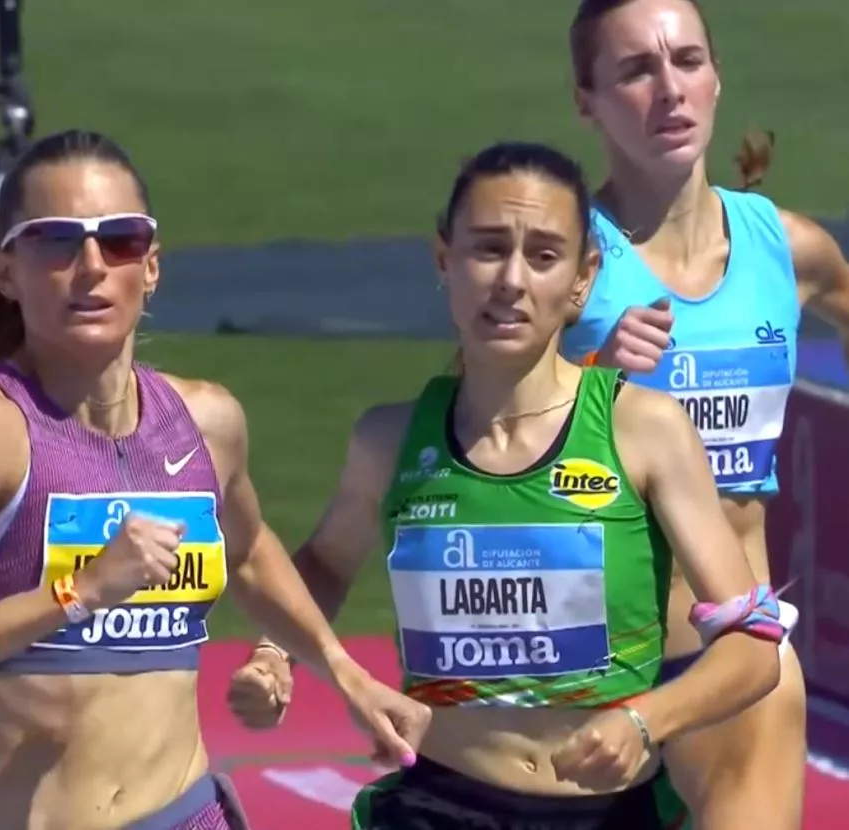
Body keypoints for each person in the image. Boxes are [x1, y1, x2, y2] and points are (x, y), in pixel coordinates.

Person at [0, 127, 432, 830]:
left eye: (118, 239)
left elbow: (244, 551)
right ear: (5, 271)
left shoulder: (205, 421)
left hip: (186, 815)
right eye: (56, 240)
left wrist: (340, 672)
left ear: (150, 267)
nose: (90, 265)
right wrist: (76, 593)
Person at [228, 141, 786, 829]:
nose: (511, 280)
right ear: (445, 260)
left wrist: (646, 720)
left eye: (544, 256)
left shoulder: (644, 430)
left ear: (583, 280)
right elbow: (322, 564)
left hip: (608, 813)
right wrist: (274, 652)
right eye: (488, 249)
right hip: (439, 804)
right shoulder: (390, 442)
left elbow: (755, 647)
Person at [556, 0, 849, 824]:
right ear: (586, 98)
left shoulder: (787, 250)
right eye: (636, 70)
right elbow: (461, 432)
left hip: (734, 666)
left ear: (717, 78)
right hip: (580, 674)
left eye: (686, 61)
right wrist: (583, 374)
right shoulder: (559, 265)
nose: (669, 90)